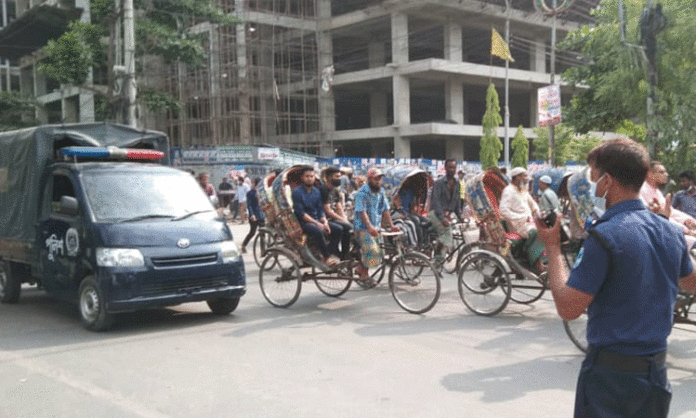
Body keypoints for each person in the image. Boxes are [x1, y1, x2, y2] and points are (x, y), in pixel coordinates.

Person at [535, 137, 696, 418]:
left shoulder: (605, 235)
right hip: (655, 376)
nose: (593, 186)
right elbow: (691, 283)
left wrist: (552, 247)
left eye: (595, 178)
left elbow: (568, 308)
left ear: (608, 181)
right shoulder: (670, 232)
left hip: (611, 381)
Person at [353, 167, 398, 281]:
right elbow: (361, 212)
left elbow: (386, 210)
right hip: (362, 227)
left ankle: (360, 268)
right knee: (372, 251)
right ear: (369, 179)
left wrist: (391, 225)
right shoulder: (361, 193)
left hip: (375, 226)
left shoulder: (381, 192)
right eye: (375, 179)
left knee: (379, 253)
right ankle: (364, 274)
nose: (378, 181)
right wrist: (369, 227)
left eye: (379, 179)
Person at [292, 166, 342, 266]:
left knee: (339, 229)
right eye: (307, 176)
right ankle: (326, 257)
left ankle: (328, 252)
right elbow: (301, 213)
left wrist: (325, 222)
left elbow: (320, 210)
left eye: (312, 176)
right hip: (304, 222)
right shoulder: (297, 192)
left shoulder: (316, 191)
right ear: (302, 178)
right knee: (318, 230)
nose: (310, 178)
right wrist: (319, 224)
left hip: (317, 220)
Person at [499, 167, 545, 272]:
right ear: (517, 177)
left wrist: (537, 212)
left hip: (528, 222)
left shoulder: (523, 190)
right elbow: (503, 211)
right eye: (524, 176)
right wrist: (521, 217)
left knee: (547, 229)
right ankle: (532, 260)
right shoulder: (508, 191)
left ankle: (541, 259)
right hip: (516, 224)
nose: (526, 178)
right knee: (535, 232)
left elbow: (532, 203)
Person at [640, 161, 696, 248]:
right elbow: (660, 216)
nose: (666, 174)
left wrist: (688, 220)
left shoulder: (656, 191)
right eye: (662, 172)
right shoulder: (642, 190)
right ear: (649, 174)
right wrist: (686, 230)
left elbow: (671, 211)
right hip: (659, 236)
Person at [428, 159, 462, 262]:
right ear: (446, 168)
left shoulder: (457, 183)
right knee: (446, 230)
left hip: (447, 214)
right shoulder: (438, 183)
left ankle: (442, 247)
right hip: (435, 213)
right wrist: (442, 218)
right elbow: (436, 201)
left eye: (454, 167)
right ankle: (438, 259)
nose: (452, 169)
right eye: (450, 167)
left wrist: (461, 216)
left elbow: (457, 202)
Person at [320, 166, 352, 259]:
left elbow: (339, 207)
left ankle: (345, 254)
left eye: (339, 176)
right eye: (336, 176)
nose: (339, 179)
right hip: (324, 218)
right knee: (340, 228)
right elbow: (327, 210)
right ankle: (329, 252)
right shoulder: (323, 190)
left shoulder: (335, 190)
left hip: (332, 218)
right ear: (329, 177)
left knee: (350, 227)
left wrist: (345, 219)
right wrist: (342, 219)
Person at [241, 177, 265, 254]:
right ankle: (243, 245)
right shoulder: (250, 193)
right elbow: (249, 205)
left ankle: (263, 250)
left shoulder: (262, 192)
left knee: (263, 233)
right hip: (254, 215)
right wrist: (251, 215)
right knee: (252, 232)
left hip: (261, 215)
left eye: (254, 183)